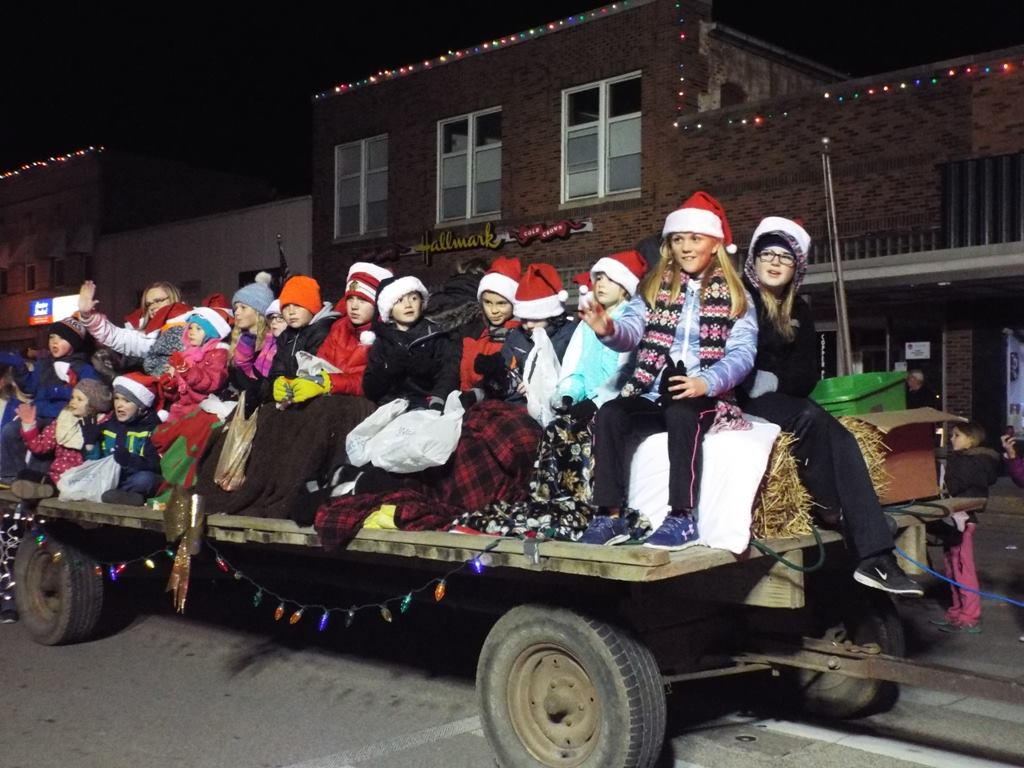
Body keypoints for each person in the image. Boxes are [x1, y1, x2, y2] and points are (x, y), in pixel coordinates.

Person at [737, 215, 923, 595]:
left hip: (780, 397)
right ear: (753, 260)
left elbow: (808, 372)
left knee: (842, 435)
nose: (775, 262)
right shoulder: (738, 301)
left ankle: (874, 557)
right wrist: (748, 378)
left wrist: (773, 380)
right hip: (737, 398)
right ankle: (839, 514)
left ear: (797, 268)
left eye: (785, 257)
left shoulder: (799, 311)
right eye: (767, 254)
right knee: (808, 417)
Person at [578, 192, 757, 549]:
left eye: (695, 238)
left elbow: (743, 353)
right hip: (652, 389)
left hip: (705, 393)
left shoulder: (737, 295)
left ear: (714, 243)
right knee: (611, 413)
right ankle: (609, 516)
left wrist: (705, 381)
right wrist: (607, 329)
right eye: (678, 239)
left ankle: (682, 517)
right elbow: (630, 332)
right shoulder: (653, 288)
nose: (686, 247)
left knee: (681, 412)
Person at [0, 318, 99, 483]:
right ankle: (10, 475)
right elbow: (30, 388)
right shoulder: (44, 365)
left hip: (62, 418)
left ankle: (36, 481)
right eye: (52, 337)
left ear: (74, 343)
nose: (54, 342)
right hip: (38, 414)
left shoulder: (83, 368)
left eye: (61, 338)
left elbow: (90, 395)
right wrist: (19, 368)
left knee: (41, 454)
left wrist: (61, 390)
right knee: (10, 431)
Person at [929, 421, 999, 633]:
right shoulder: (966, 460)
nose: (952, 439)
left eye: (956, 435)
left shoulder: (971, 463)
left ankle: (970, 617)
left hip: (963, 520)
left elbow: (953, 486)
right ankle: (957, 612)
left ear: (971, 439)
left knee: (963, 570)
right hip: (954, 519)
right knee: (952, 569)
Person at [291, 262, 392, 402]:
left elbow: (372, 383)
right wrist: (294, 384)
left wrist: (329, 382)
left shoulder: (387, 334)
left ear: (377, 304)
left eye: (362, 300)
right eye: (350, 299)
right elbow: (321, 362)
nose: (354, 306)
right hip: (336, 396)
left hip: (369, 402)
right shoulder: (339, 327)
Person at [362, 275, 460, 409]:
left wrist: (438, 399)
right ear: (389, 309)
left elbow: (448, 373)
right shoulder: (382, 342)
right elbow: (370, 389)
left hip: (426, 405)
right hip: (390, 406)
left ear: (422, 302)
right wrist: (387, 369)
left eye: (414, 298)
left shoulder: (436, 336)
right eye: (399, 300)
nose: (408, 305)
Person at [10, 379, 113, 500]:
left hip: (82, 478)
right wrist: (29, 425)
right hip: (57, 476)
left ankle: (46, 491)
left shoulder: (102, 425)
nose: (73, 402)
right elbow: (41, 446)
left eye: (79, 399)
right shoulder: (64, 420)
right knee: (25, 474)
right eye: (72, 397)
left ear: (94, 405)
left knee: (38, 485)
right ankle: (44, 490)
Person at [93, 373, 165, 506]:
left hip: (133, 478)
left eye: (127, 401)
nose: (119, 405)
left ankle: (122, 495)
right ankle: (126, 496)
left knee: (146, 480)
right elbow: (94, 461)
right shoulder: (108, 426)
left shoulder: (150, 430)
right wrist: (90, 444)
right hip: (108, 476)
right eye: (117, 399)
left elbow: (155, 464)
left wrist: (129, 460)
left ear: (141, 407)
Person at [268, 276, 339, 406]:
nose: (291, 311)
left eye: (297, 305)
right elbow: (277, 369)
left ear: (312, 306)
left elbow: (314, 373)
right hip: (292, 398)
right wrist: (276, 383)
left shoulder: (324, 331)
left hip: (319, 401)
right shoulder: (286, 335)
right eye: (286, 306)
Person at [459, 256, 521, 393]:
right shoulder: (473, 331)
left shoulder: (520, 335)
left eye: (501, 303)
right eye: (487, 302)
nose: (493, 310)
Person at [160, 307, 232, 422]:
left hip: (203, 409)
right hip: (181, 410)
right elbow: (177, 395)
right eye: (190, 327)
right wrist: (170, 384)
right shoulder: (186, 355)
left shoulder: (217, 353)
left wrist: (186, 371)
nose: (192, 332)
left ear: (210, 332)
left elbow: (212, 383)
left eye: (198, 329)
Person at [228, 272, 277, 402]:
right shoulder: (240, 340)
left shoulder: (273, 343)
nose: (236, 312)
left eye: (243, 307)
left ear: (259, 312)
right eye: (236, 308)